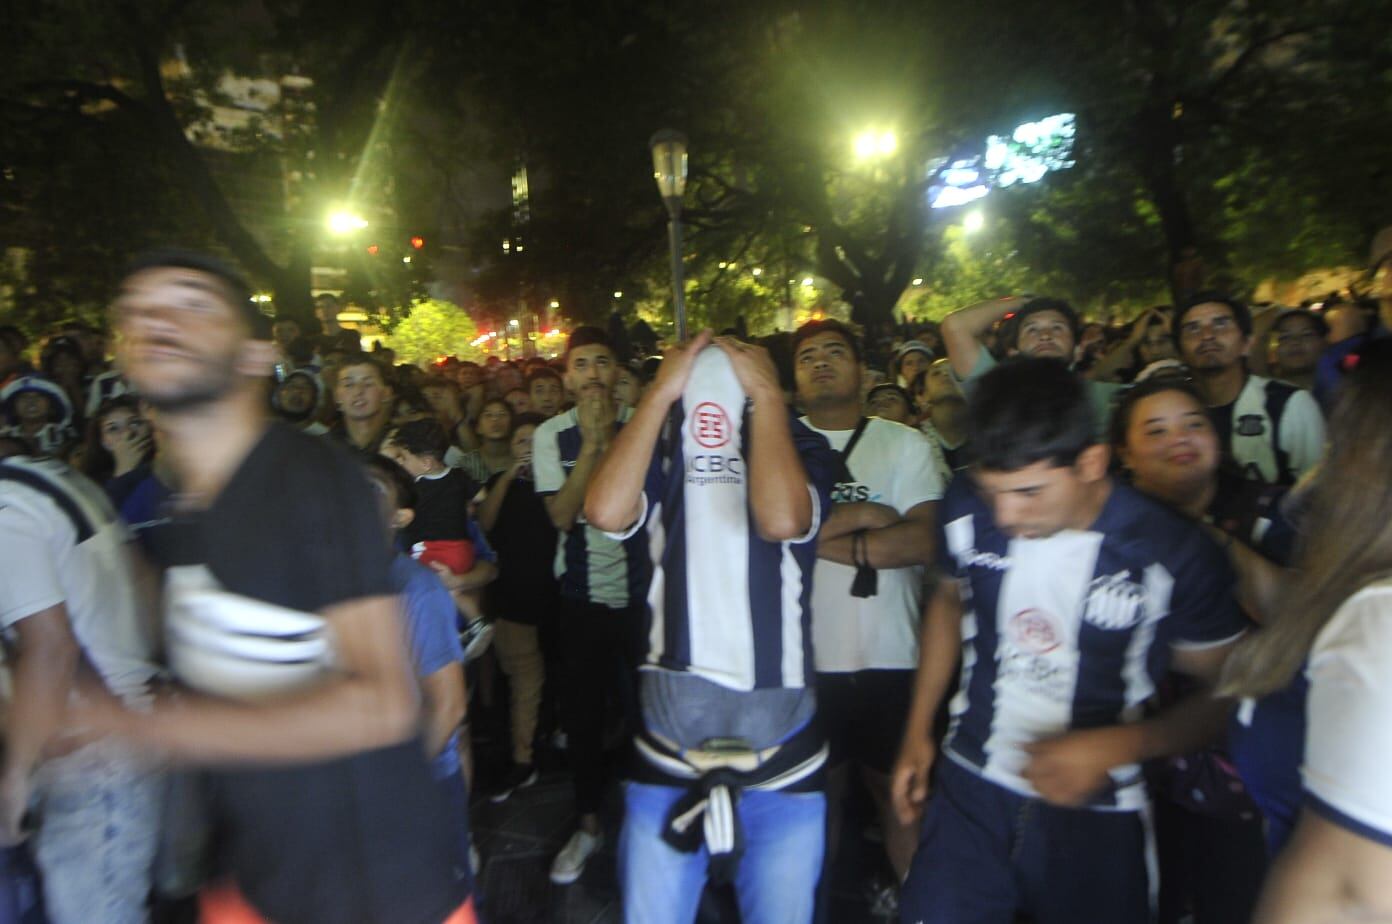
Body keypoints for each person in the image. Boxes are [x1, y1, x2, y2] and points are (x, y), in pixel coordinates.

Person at [75, 249, 474, 923]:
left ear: (257, 355)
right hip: (256, 879)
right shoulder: (183, 510)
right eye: (138, 312)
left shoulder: (311, 480)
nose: (160, 322)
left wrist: (138, 724)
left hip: (377, 890)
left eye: (192, 305)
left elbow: (380, 704)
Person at [892, 358, 1248, 924]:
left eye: (1029, 491)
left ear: (1091, 461)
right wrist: (918, 729)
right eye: (993, 490)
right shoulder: (964, 503)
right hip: (970, 787)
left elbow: (1228, 689)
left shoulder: (1172, 552)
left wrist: (1118, 746)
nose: (1006, 515)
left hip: (1097, 811)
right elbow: (945, 596)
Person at [584, 332, 841, 924]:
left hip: (783, 764)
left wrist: (768, 403)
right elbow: (603, 512)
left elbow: (782, 519)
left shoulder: (802, 444)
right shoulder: (658, 444)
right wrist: (657, 398)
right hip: (668, 760)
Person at [1220, 342, 1392, 923]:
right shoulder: (1358, 601)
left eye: (1338, 448)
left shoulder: (1381, 619)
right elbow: (1294, 609)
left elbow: (1345, 891)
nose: (1313, 479)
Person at [1110, 377, 1291, 924]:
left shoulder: (1270, 511)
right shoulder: (1108, 528)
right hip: (1133, 759)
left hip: (1243, 765)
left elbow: (1295, 615)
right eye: (1156, 430)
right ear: (1124, 454)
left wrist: (1202, 541)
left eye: (1193, 423)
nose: (1179, 439)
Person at [793, 319, 943, 891]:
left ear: (862, 370)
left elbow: (922, 541)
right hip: (806, 658)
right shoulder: (779, 448)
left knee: (899, 794)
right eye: (808, 356)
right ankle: (818, 902)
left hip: (894, 652)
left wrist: (813, 540)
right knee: (815, 796)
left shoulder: (904, 442)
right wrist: (865, 518)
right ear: (795, 376)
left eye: (835, 352)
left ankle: (916, 901)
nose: (822, 362)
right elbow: (766, 540)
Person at [0, 453, 163, 923]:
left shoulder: (8, 514)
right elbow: (145, 580)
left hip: (91, 753)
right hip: (130, 729)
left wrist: (16, 776)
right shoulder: (54, 478)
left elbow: (50, 648)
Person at [532, 326, 651, 885]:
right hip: (580, 598)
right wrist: (597, 445)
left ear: (618, 374)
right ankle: (587, 826)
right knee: (581, 717)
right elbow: (560, 515)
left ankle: (657, 821)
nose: (593, 375)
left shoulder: (647, 429)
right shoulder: (551, 435)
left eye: (603, 363)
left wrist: (616, 437)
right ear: (566, 377)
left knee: (652, 712)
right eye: (581, 365)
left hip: (645, 597)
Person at [361, 455, 475, 891]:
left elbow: (448, 707)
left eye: (371, 490)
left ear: (400, 517)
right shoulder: (332, 581)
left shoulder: (415, 588)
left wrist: (396, 788)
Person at [477, 411, 556, 801]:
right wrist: (510, 476)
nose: (528, 448)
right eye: (521, 442)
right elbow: (486, 524)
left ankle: (541, 743)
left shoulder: (559, 482)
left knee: (549, 674)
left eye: (536, 441)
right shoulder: (498, 483)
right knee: (523, 677)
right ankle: (522, 755)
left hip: (557, 592)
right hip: (513, 594)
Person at [1173, 292, 1325, 486]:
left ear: (1247, 344)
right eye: (1193, 328)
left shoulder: (1290, 405)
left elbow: (1320, 492)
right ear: (1180, 353)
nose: (1207, 335)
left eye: (1221, 324)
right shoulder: (1173, 412)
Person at [940, 295, 1124, 438]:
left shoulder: (1104, 398)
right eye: (1032, 329)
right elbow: (955, 325)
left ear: (1077, 350)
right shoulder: (994, 392)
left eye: (1057, 328)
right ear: (1013, 351)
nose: (1045, 335)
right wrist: (1023, 302)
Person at [81, 395, 153, 498]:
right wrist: (123, 472)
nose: (127, 434)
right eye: (113, 429)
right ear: (103, 442)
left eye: (135, 423)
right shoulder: (93, 484)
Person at [328, 355, 396, 457]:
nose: (358, 391)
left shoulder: (404, 445)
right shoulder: (320, 448)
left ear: (386, 393)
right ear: (336, 396)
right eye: (348, 385)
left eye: (368, 384)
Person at [0, 374, 76, 455]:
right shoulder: (4, 437)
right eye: (23, 397)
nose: (31, 402)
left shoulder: (65, 435)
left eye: (39, 397)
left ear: (52, 408)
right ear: (13, 408)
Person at [454, 397, 513, 484]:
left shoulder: (521, 461)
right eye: (488, 415)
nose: (495, 420)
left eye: (502, 414)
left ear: (512, 425)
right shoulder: (466, 464)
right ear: (478, 428)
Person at [1265, 308, 1327, 391]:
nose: (1295, 342)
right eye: (1285, 337)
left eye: (1306, 335)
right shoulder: (1265, 395)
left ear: (1323, 342)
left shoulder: (1342, 389)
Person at [270, 367, 328, 434]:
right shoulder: (262, 431)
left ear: (314, 399)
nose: (297, 391)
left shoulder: (324, 438)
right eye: (291, 386)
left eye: (305, 388)